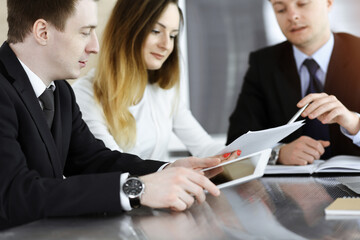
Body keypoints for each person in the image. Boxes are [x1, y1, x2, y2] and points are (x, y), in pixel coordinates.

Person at [0, 0, 223, 230]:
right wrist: (137, 189)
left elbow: (93, 160)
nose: (95, 46)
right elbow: (14, 195)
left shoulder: (60, 91)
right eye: (85, 33)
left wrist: (167, 170)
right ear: (42, 32)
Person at [72, 0, 240, 161]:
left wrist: (236, 156)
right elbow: (114, 165)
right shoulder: (85, 94)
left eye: (173, 36)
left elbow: (205, 148)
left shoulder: (163, 91)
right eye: (156, 31)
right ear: (127, 29)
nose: (166, 45)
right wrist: (174, 171)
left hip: (166, 187)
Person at [227, 0, 360, 166]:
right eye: (280, 9)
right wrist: (278, 153)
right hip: (287, 187)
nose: (292, 16)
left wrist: (355, 124)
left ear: (328, 3)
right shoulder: (263, 64)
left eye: (302, 4)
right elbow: (236, 143)